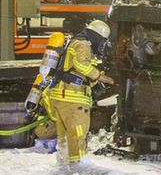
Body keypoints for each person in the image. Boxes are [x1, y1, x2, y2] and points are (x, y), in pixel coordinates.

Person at [38, 19, 114, 166]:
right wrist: (100, 76)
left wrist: (93, 83)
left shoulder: (74, 42)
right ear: (97, 36)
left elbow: (74, 70)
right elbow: (81, 65)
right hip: (73, 99)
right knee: (78, 135)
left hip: (61, 96)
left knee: (65, 137)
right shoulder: (84, 44)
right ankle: (78, 169)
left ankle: (63, 164)